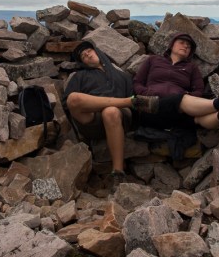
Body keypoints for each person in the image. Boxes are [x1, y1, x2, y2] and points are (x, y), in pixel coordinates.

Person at [63, 41, 158, 183]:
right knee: (73, 98)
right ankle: (130, 100)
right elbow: (67, 104)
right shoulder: (79, 76)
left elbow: (134, 114)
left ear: (98, 52)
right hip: (91, 120)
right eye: (83, 56)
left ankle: (118, 172)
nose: (87, 54)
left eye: (89, 51)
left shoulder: (123, 77)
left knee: (110, 111)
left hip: (118, 118)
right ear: (82, 62)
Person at [133, 32, 219, 131]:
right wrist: (148, 93)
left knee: (197, 119)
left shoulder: (191, 67)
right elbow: (137, 82)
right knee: (179, 98)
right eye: (182, 42)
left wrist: (188, 96)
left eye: (189, 46)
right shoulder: (153, 60)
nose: (186, 46)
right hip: (151, 108)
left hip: (177, 113)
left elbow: (199, 90)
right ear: (172, 45)